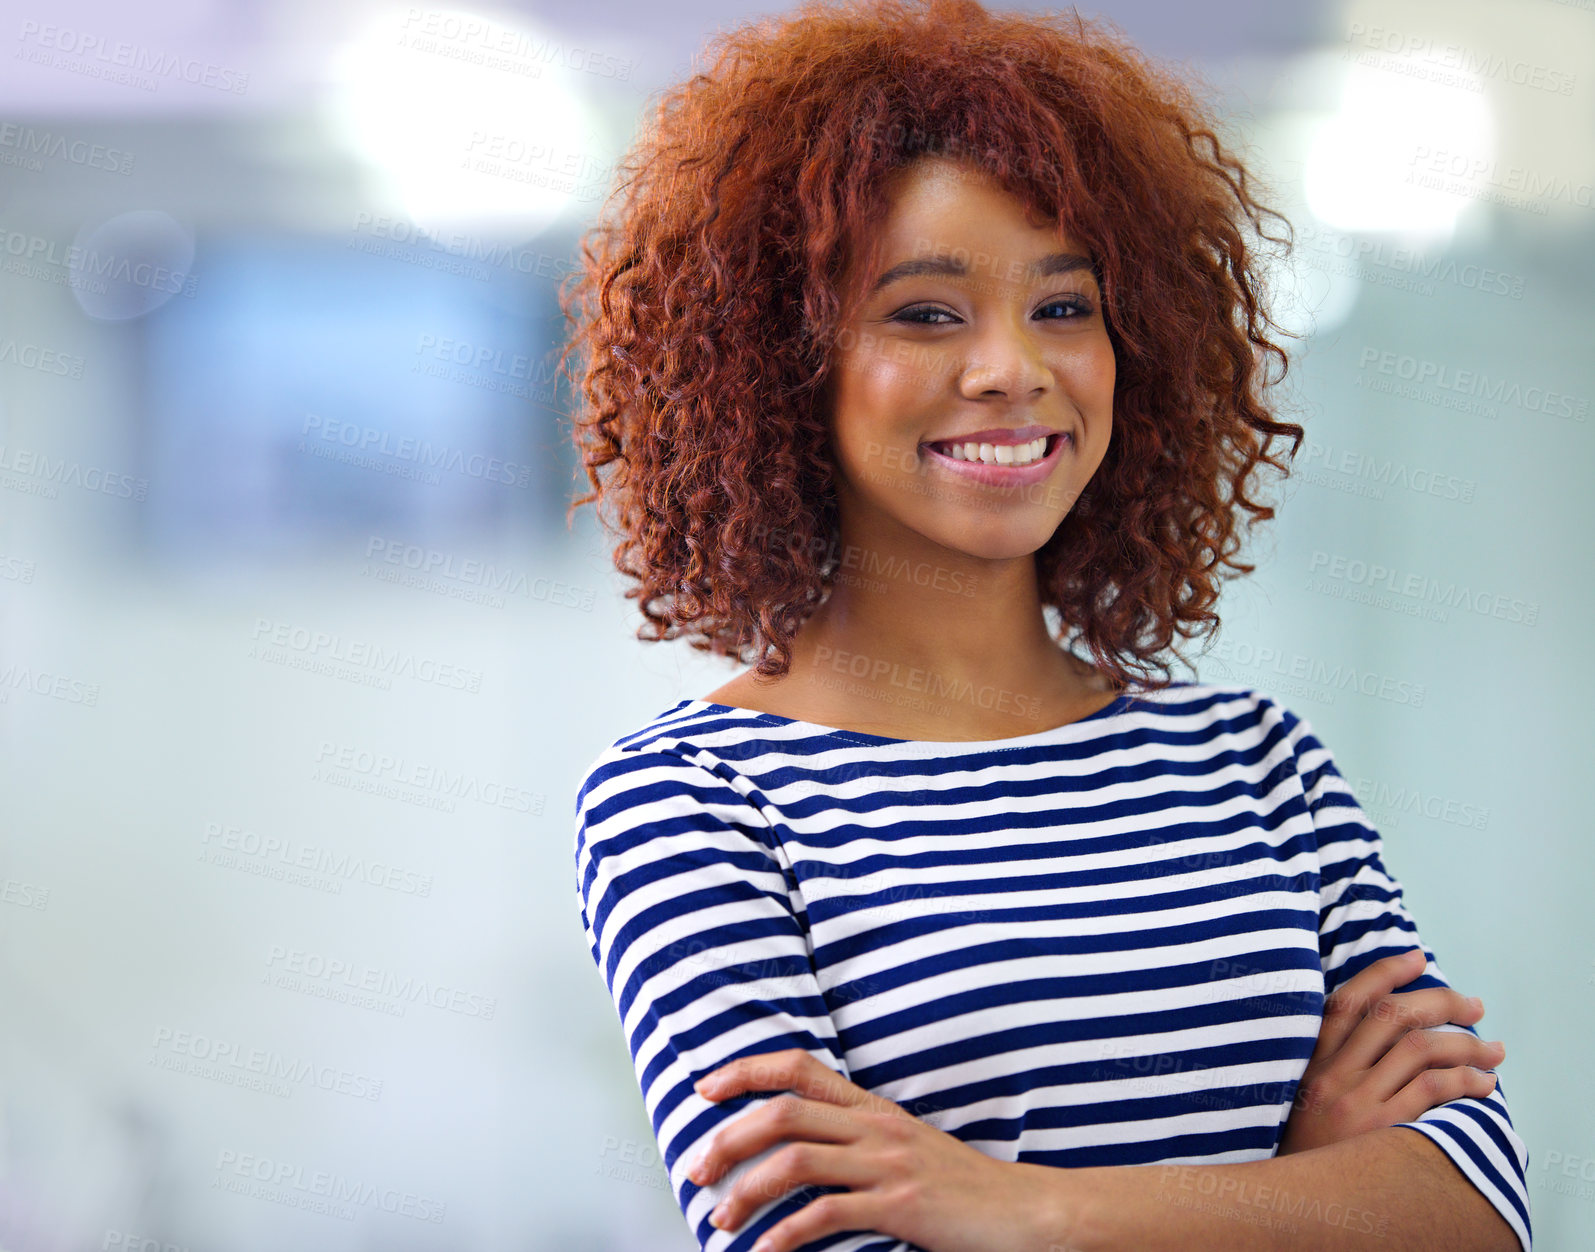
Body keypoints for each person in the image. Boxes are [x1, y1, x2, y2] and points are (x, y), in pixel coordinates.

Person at [560, 1, 1531, 1249]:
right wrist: (1301, 1186)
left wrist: (1025, 1209)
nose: (1012, 366)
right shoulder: (691, 800)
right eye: (924, 312)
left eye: (1064, 308)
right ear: (780, 363)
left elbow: (1476, 1211)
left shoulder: (1256, 766)